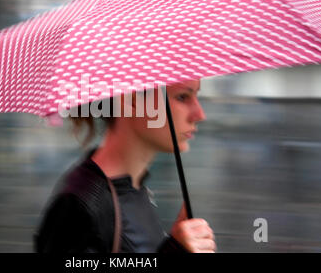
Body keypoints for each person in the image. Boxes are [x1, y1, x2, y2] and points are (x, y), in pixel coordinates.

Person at [34, 79, 216, 253]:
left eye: (196, 96)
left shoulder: (134, 189)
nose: (199, 114)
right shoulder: (79, 206)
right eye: (182, 97)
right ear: (132, 101)